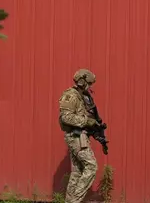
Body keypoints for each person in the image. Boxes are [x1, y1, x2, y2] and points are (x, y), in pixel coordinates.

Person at [58, 69, 100, 203]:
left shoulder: (82, 96)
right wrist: (86, 121)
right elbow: (66, 118)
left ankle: (70, 201)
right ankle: (74, 201)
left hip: (81, 137)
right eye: (89, 83)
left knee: (77, 171)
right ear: (82, 82)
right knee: (91, 166)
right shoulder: (71, 96)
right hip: (74, 136)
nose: (90, 86)